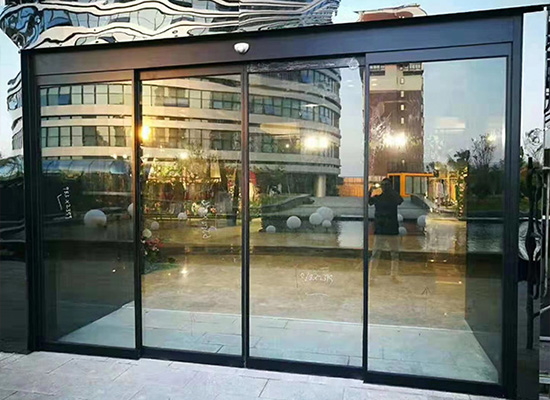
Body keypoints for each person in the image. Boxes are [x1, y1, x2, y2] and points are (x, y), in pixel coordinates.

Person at [368, 178, 403, 283]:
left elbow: (369, 201)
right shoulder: (388, 198)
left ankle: (373, 277)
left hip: (383, 229)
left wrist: (371, 190)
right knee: (392, 254)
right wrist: (371, 190)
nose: (385, 187)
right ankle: (391, 276)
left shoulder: (382, 198)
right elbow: (400, 200)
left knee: (378, 254)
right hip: (389, 229)